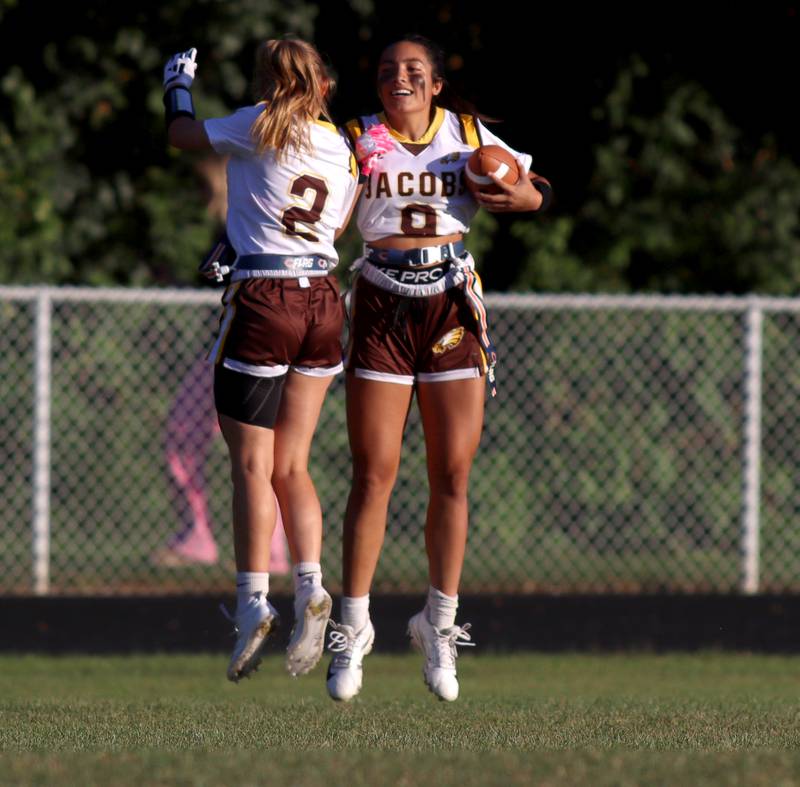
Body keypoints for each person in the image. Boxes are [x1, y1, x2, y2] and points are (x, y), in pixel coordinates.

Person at [325, 34, 551, 702]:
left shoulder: (468, 134)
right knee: (373, 473)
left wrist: (525, 198)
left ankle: (441, 622)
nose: (401, 78)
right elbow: (317, 211)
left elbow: (534, 187)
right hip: (380, 303)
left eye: (415, 70)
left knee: (452, 471)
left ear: (437, 83)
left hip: (450, 304)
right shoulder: (353, 135)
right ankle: (353, 623)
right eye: (390, 70)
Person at [162, 39, 359, 681]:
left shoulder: (257, 122)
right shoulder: (341, 148)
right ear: (322, 85)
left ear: (268, 82)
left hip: (265, 299)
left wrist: (177, 87)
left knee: (252, 462)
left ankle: (252, 604)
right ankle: (311, 587)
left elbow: (183, 138)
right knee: (293, 464)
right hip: (325, 301)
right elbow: (331, 226)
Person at [152, 354, 289, 575]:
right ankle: (197, 537)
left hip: (248, 350)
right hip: (227, 350)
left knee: (261, 457)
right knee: (185, 437)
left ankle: (270, 554)